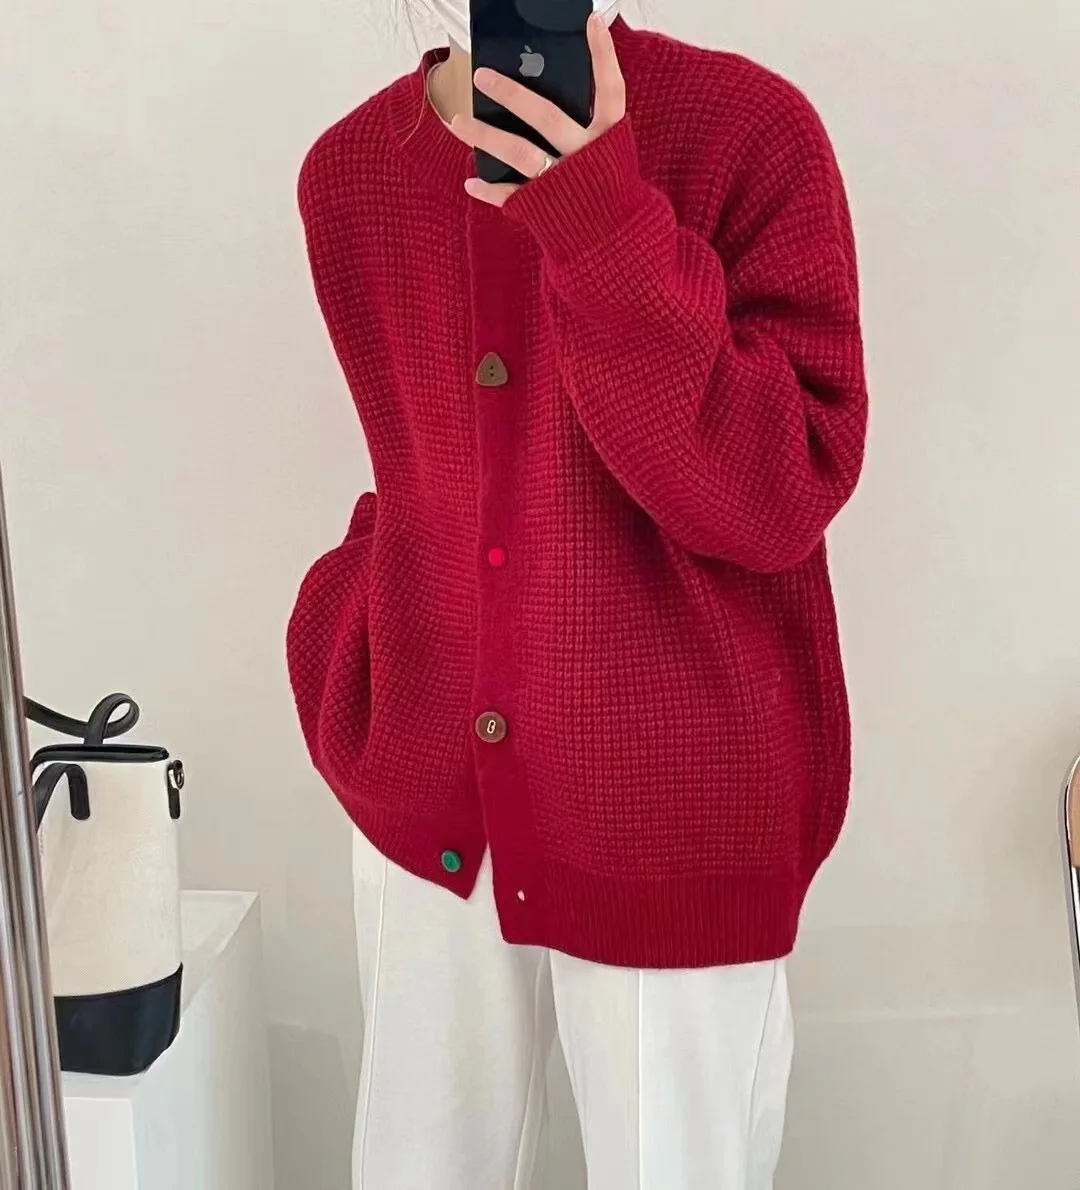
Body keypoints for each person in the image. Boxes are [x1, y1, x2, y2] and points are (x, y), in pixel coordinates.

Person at [287, 2, 867, 1186]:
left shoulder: (748, 132)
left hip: (670, 805)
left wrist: (600, 215)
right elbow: (424, 460)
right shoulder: (348, 174)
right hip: (430, 790)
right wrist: (356, 623)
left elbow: (774, 494)